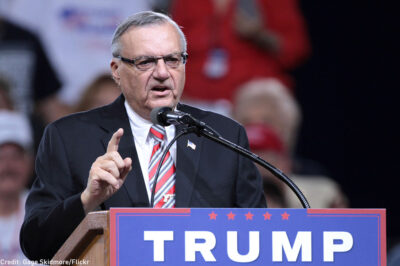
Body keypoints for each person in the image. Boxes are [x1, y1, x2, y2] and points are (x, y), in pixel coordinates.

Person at [20, 11, 266, 261]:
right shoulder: (69, 138)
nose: (162, 72)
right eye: (145, 62)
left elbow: (260, 238)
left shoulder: (224, 136)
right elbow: (35, 245)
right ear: (116, 70)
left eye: (172, 60)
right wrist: (86, 201)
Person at [0, 111, 34, 264]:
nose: (7, 166)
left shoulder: (45, 213)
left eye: (16, 156)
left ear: (30, 162)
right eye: (0, 157)